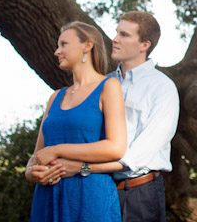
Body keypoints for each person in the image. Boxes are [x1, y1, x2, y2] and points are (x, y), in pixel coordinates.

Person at [50, 11, 180, 222]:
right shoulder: (103, 84)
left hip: (139, 194)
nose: (115, 39)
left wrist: (82, 167)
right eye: (116, 32)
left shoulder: (162, 88)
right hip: (97, 190)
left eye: (124, 35)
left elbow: (137, 156)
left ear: (144, 45)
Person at [25, 21, 127, 222]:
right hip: (47, 198)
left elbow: (116, 148)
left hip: (90, 198)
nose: (57, 51)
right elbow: (38, 155)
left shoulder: (109, 86)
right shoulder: (55, 97)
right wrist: (31, 173)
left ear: (87, 46)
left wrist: (57, 150)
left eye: (64, 44)